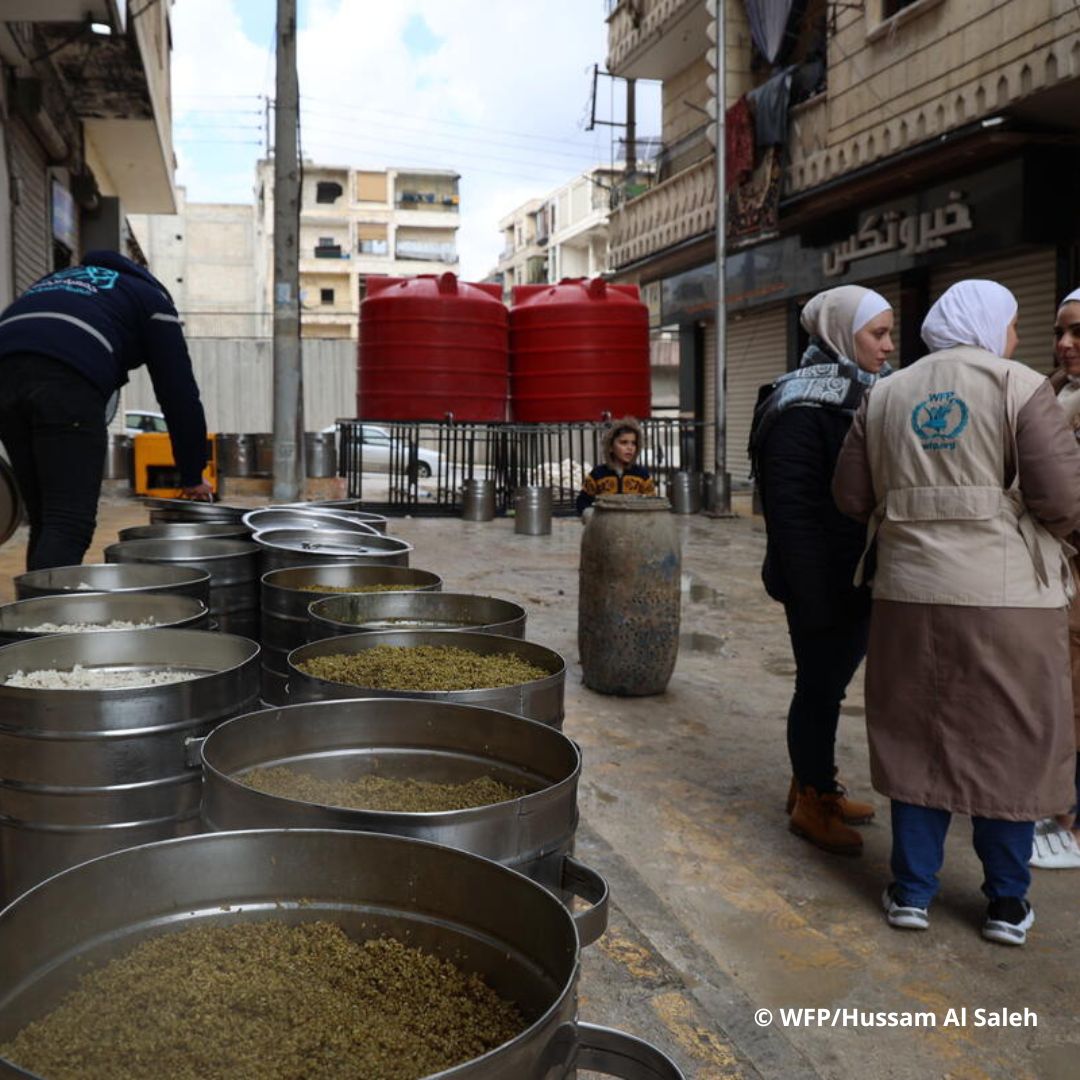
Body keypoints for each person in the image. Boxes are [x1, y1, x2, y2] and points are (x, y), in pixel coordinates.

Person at [833, 279, 1080, 946]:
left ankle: (911, 892)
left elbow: (852, 494)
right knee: (1011, 742)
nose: (1017, 338)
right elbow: (1062, 500)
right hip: (1008, 603)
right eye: (1013, 324)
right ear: (991, 324)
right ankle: (1005, 905)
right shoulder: (1020, 386)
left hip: (907, 596)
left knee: (916, 735)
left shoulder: (885, 394)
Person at [749, 284, 894, 856]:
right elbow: (791, 515)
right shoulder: (801, 404)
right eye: (877, 334)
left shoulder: (861, 393)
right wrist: (815, 597)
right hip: (820, 580)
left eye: (888, 333)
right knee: (818, 687)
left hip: (853, 574)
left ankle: (813, 782)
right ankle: (813, 802)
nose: (887, 346)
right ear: (840, 333)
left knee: (828, 687)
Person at [0, 250, 212, 570]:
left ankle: (33, 612)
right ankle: (43, 617)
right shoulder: (152, 299)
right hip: (65, 375)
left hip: (5, 370)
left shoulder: (56, 280)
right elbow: (178, 393)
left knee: (46, 518)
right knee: (69, 522)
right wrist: (193, 473)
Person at [1031, 288, 1080, 869]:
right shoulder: (1048, 392)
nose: (1066, 345)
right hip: (1054, 570)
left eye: (1078, 334)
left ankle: (1069, 821)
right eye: (1060, 332)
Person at [575, 416, 655, 515]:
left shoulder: (642, 475)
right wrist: (588, 514)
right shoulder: (598, 474)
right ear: (610, 447)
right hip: (606, 526)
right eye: (623, 442)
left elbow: (653, 504)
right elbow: (582, 502)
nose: (630, 448)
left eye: (633, 443)